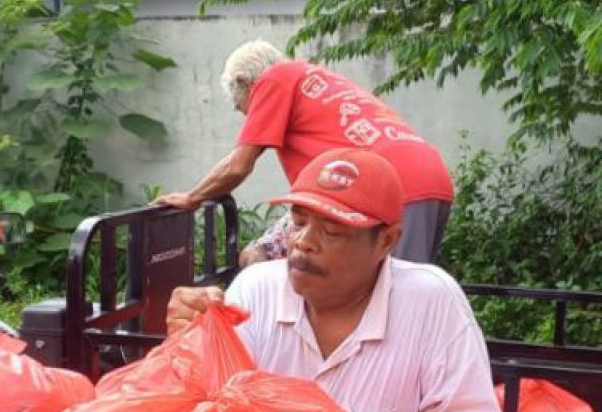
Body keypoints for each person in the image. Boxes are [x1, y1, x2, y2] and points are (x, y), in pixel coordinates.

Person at [166, 148, 499, 412]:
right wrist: (188, 340)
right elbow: (204, 405)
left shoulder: (428, 299)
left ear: (386, 241)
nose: (304, 242)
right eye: (297, 222)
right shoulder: (257, 288)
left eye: (332, 231)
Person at [154, 40, 454, 266]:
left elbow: (238, 165)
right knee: (401, 290)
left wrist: (192, 197)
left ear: (245, 83)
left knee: (396, 302)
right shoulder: (313, 79)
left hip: (393, 186)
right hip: (429, 176)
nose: (246, 116)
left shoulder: (273, 80)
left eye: (240, 106)